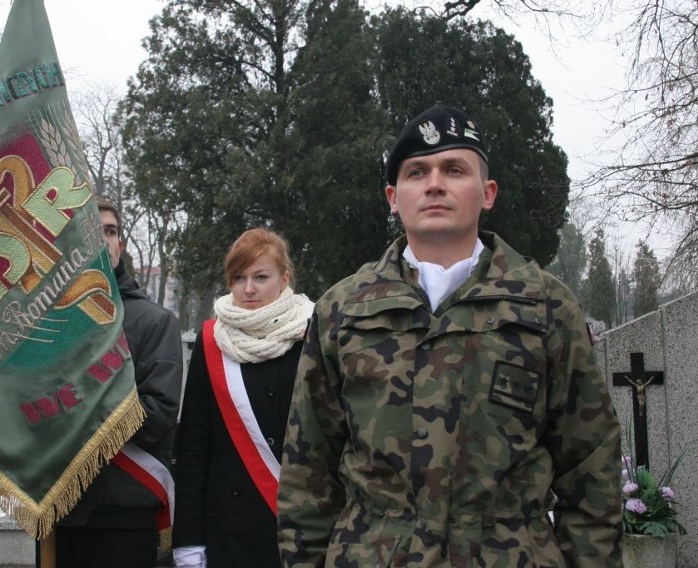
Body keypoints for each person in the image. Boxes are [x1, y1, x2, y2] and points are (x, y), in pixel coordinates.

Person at [277, 104, 623, 567]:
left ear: (488, 193)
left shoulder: (545, 305)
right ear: (393, 197)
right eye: (417, 172)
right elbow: (308, 468)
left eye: (454, 169)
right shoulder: (342, 310)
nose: (435, 183)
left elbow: (590, 463)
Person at [35, 197, 183, 568]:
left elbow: (158, 418)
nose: (102, 240)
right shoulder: (44, 326)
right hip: (58, 511)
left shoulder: (155, 322)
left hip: (124, 515)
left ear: (121, 244)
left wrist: (77, 403)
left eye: (111, 232)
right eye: (90, 232)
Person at [172, 228, 314, 568]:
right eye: (239, 278)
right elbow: (194, 448)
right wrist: (188, 541)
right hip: (229, 535)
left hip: (302, 530)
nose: (248, 289)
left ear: (284, 278)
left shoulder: (314, 334)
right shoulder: (212, 342)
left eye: (260, 277)